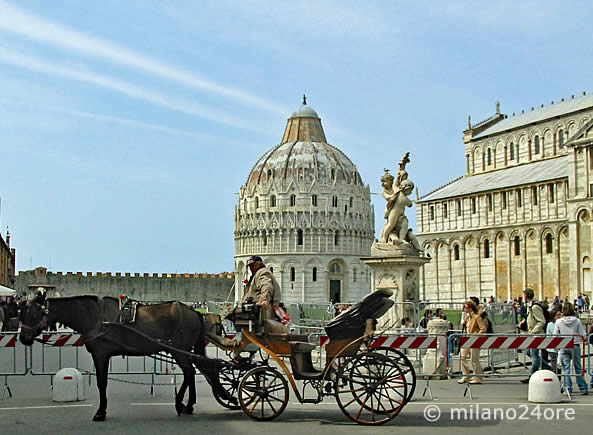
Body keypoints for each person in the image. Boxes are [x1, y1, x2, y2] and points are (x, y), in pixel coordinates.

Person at [553, 302, 588, 394]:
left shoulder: (559, 321)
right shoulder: (577, 321)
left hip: (564, 345)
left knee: (566, 368)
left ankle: (567, 387)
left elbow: (555, 335)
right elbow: (583, 334)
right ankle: (583, 387)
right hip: (575, 344)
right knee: (578, 367)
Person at [519, 288, 547, 383]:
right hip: (532, 334)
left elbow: (542, 321)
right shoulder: (529, 306)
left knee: (534, 356)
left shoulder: (535, 307)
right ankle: (547, 367)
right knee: (528, 352)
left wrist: (534, 331)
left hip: (536, 335)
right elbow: (530, 317)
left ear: (526, 296)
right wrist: (524, 321)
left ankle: (532, 376)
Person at [242, 255, 282, 322]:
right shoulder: (257, 274)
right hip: (256, 310)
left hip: (260, 311)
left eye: (252, 266)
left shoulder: (262, 272)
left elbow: (266, 285)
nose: (251, 268)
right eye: (249, 266)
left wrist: (265, 299)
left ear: (259, 264)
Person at [458, 300, 487, 384]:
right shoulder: (468, 317)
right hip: (467, 339)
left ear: (471, 308)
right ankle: (465, 375)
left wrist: (477, 336)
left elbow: (483, 328)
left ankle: (477, 377)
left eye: (466, 307)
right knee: (462, 356)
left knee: (474, 359)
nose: (464, 309)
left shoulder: (477, 317)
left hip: (474, 339)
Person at [546, 309, 561, 374]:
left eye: (560, 314)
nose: (559, 316)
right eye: (557, 315)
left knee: (559, 364)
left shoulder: (561, 323)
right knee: (554, 363)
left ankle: (558, 376)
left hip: (560, 347)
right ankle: (555, 376)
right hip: (552, 348)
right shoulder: (551, 325)